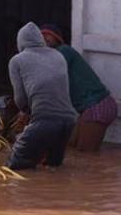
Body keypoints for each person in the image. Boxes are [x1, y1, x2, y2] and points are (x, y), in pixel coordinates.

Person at [6, 22, 77, 170]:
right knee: (53, 167)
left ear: (20, 42)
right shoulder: (58, 56)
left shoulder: (17, 61)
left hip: (45, 121)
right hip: (69, 122)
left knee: (15, 164)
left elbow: (20, 98)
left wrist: (25, 112)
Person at [40, 24, 118, 151]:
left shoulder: (64, 51)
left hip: (97, 107)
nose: (44, 38)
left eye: (48, 35)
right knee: (71, 147)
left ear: (58, 39)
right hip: (89, 109)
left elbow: (49, 75)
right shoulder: (52, 57)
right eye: (41, 35)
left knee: (85, 155)